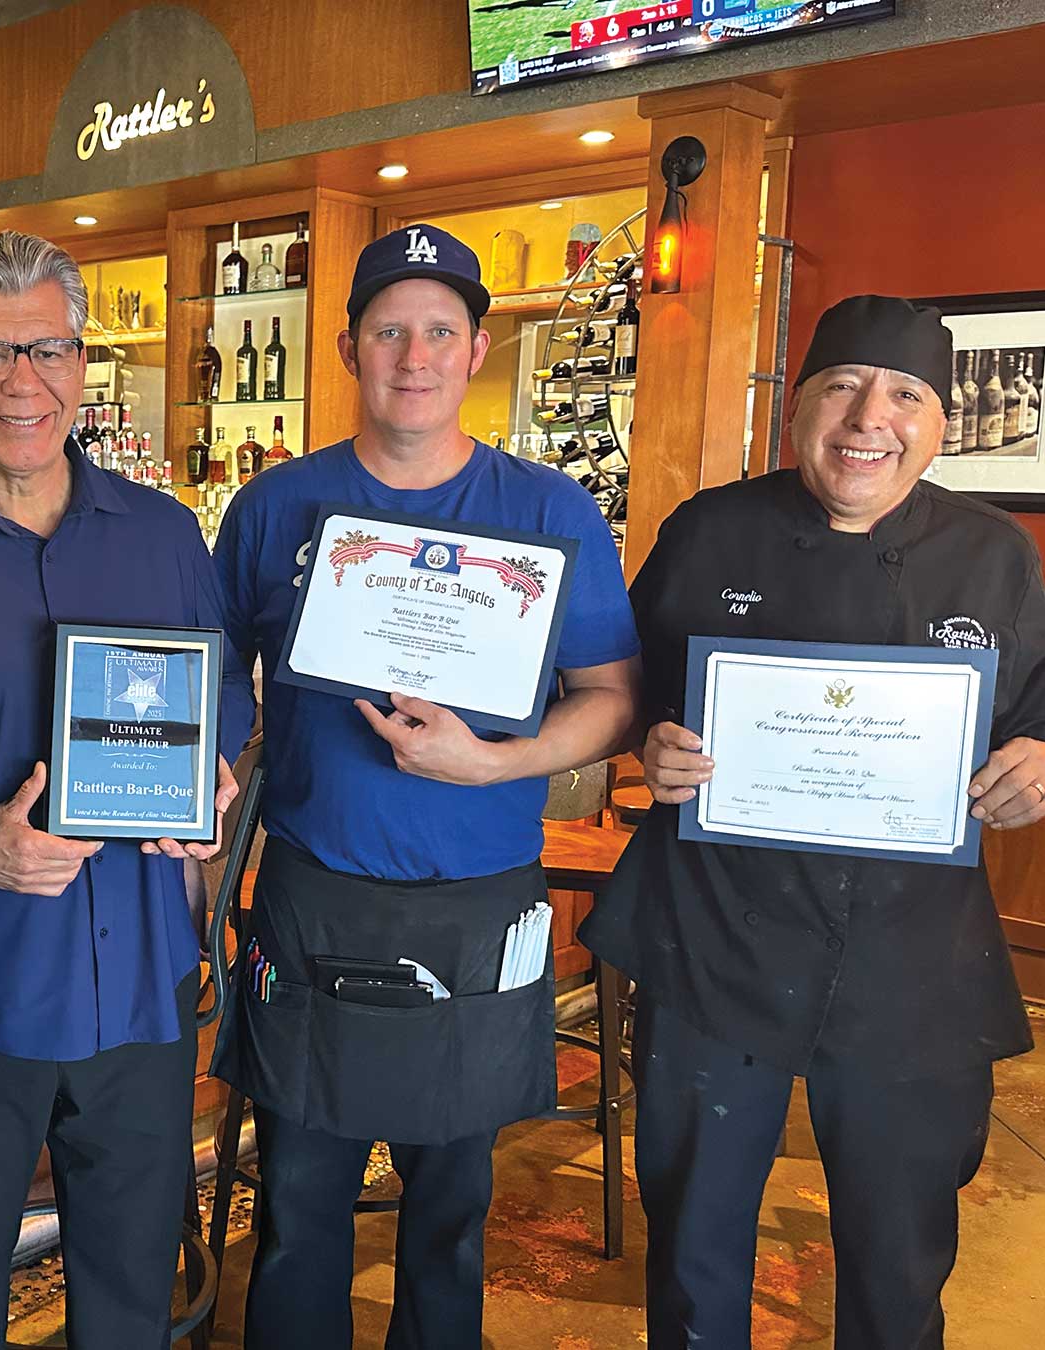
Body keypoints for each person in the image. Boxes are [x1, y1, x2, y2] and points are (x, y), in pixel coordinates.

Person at [581, 294, 1045, 1350]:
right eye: (843, 387)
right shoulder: (709, 530)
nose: (868, 419)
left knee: (900, 1260)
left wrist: (1039, 767)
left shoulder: (995, 553)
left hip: (910, 950)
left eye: (905, 396)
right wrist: (646, 745)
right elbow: (625, 695)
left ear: (941, 424)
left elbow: (1041, 721)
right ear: (797, 406)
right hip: (716, 938)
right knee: (694, 1243)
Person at [211, 223, 641, 1348]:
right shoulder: (274, 507)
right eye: (390, 331)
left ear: (478, 349)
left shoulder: (549, 511)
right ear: (348, 348)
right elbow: (216, 679)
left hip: (480, 900)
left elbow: (611, 697)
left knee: (452, 1214)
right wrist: (203, 776)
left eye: (441, 331)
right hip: (314, 892)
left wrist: (492, 760)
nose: (415, 356)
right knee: (296, 1204)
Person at [0, 230, 253, 1349]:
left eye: (49, 349)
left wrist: (209, 781)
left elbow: (220, 695)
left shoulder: (164, 534)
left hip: (141, 984)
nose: (23, 382)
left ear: (81, 363)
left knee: (131, 1292)